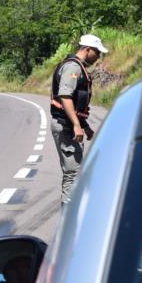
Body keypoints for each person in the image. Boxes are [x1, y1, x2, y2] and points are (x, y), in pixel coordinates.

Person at [49, 33, 109, 203]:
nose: (98, 57)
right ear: (87, 49)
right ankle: (68, 221)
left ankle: (72, 217)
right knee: (73, 174)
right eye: (97, 53)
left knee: (75, 172)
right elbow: (65, 96)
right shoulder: (73, 68)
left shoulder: (77, 67)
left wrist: (84, 125)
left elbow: (76, 102)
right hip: (65, 126)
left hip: (69, 126)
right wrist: (76, 124)